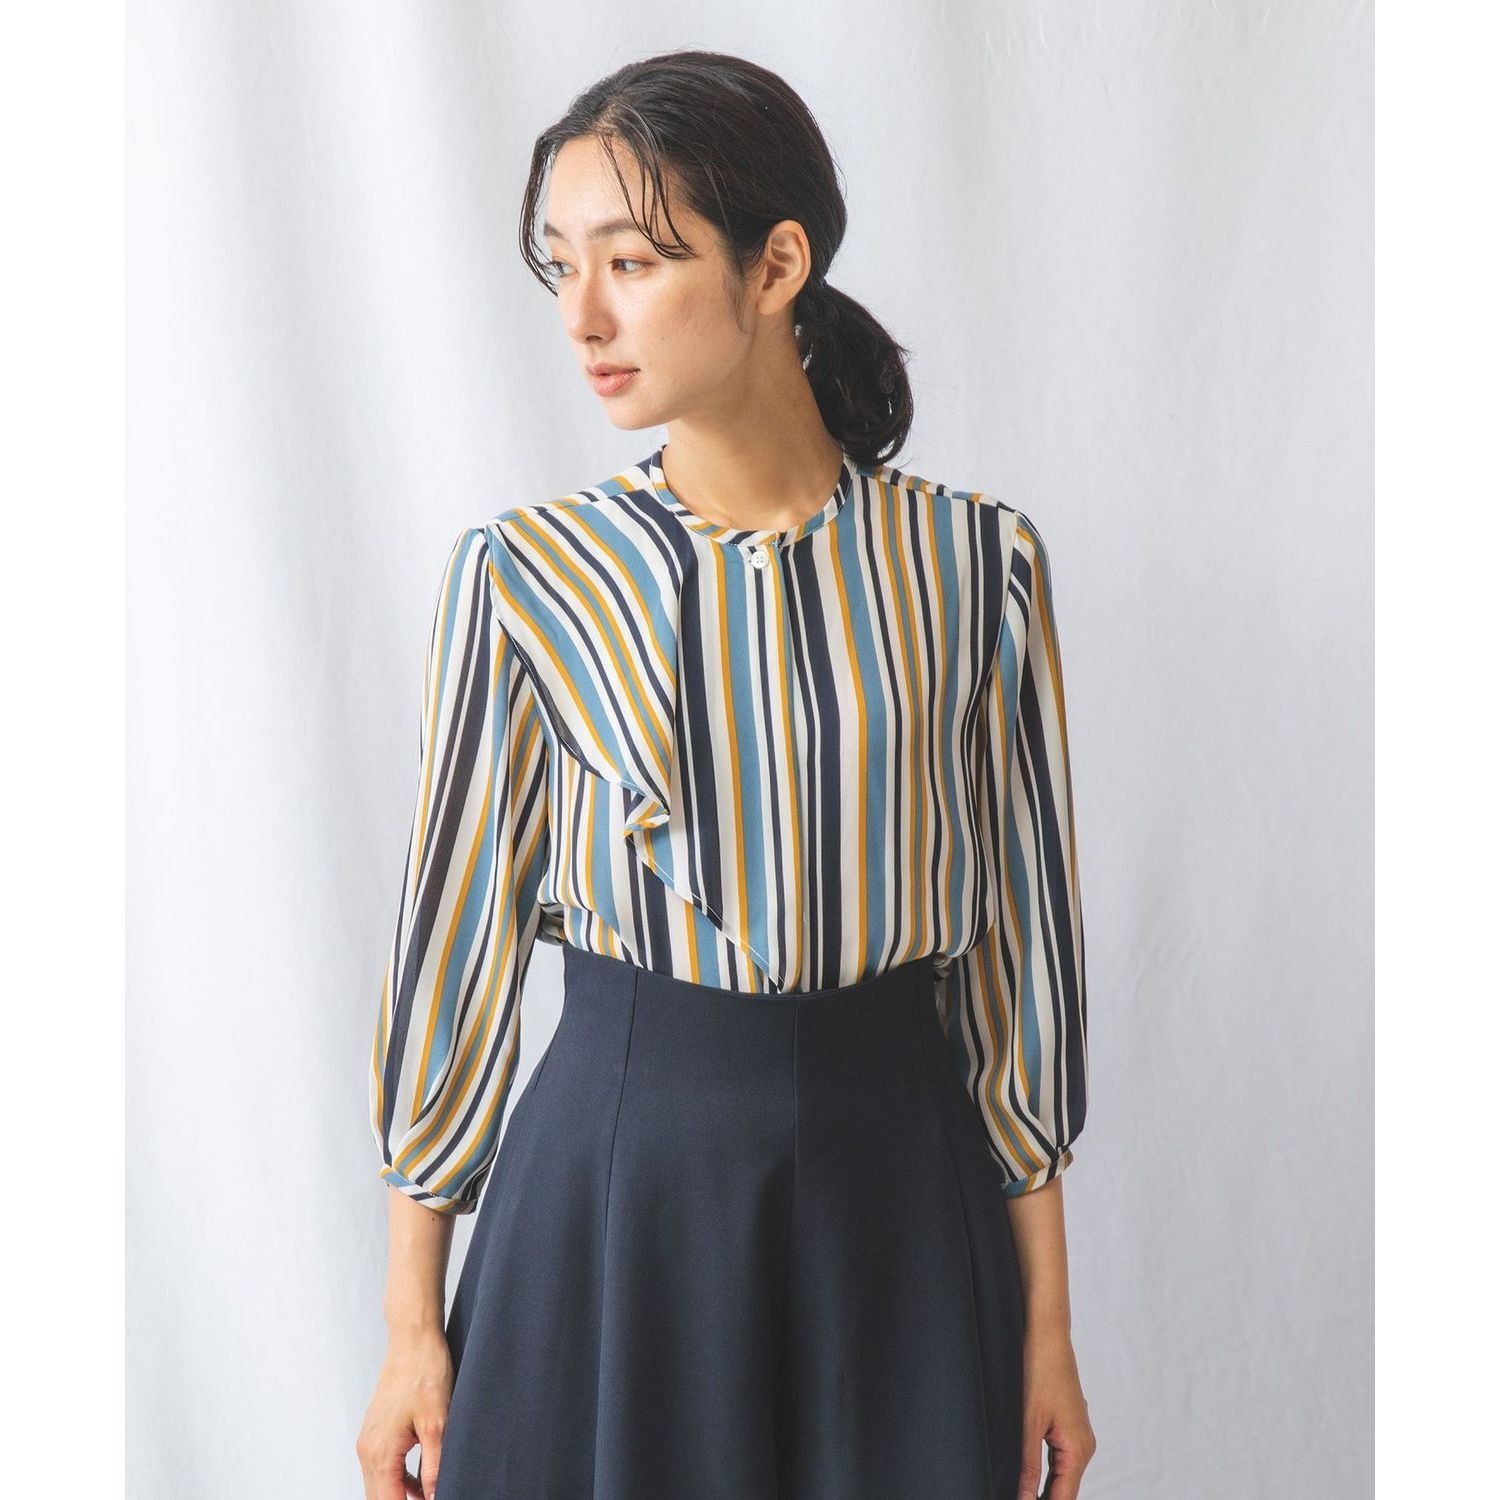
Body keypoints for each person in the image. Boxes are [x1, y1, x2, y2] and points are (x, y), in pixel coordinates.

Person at [356, 47, 1096, 1500]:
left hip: (902, 1202)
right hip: (616, 1204)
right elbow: (452, 955)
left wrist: (1049, 1328)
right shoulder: (529, 577)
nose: (583, 313)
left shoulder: (974, 565)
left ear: (777, 266)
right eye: (561, 263)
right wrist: (408, 1328)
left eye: (633, 261)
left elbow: (1021, 960)